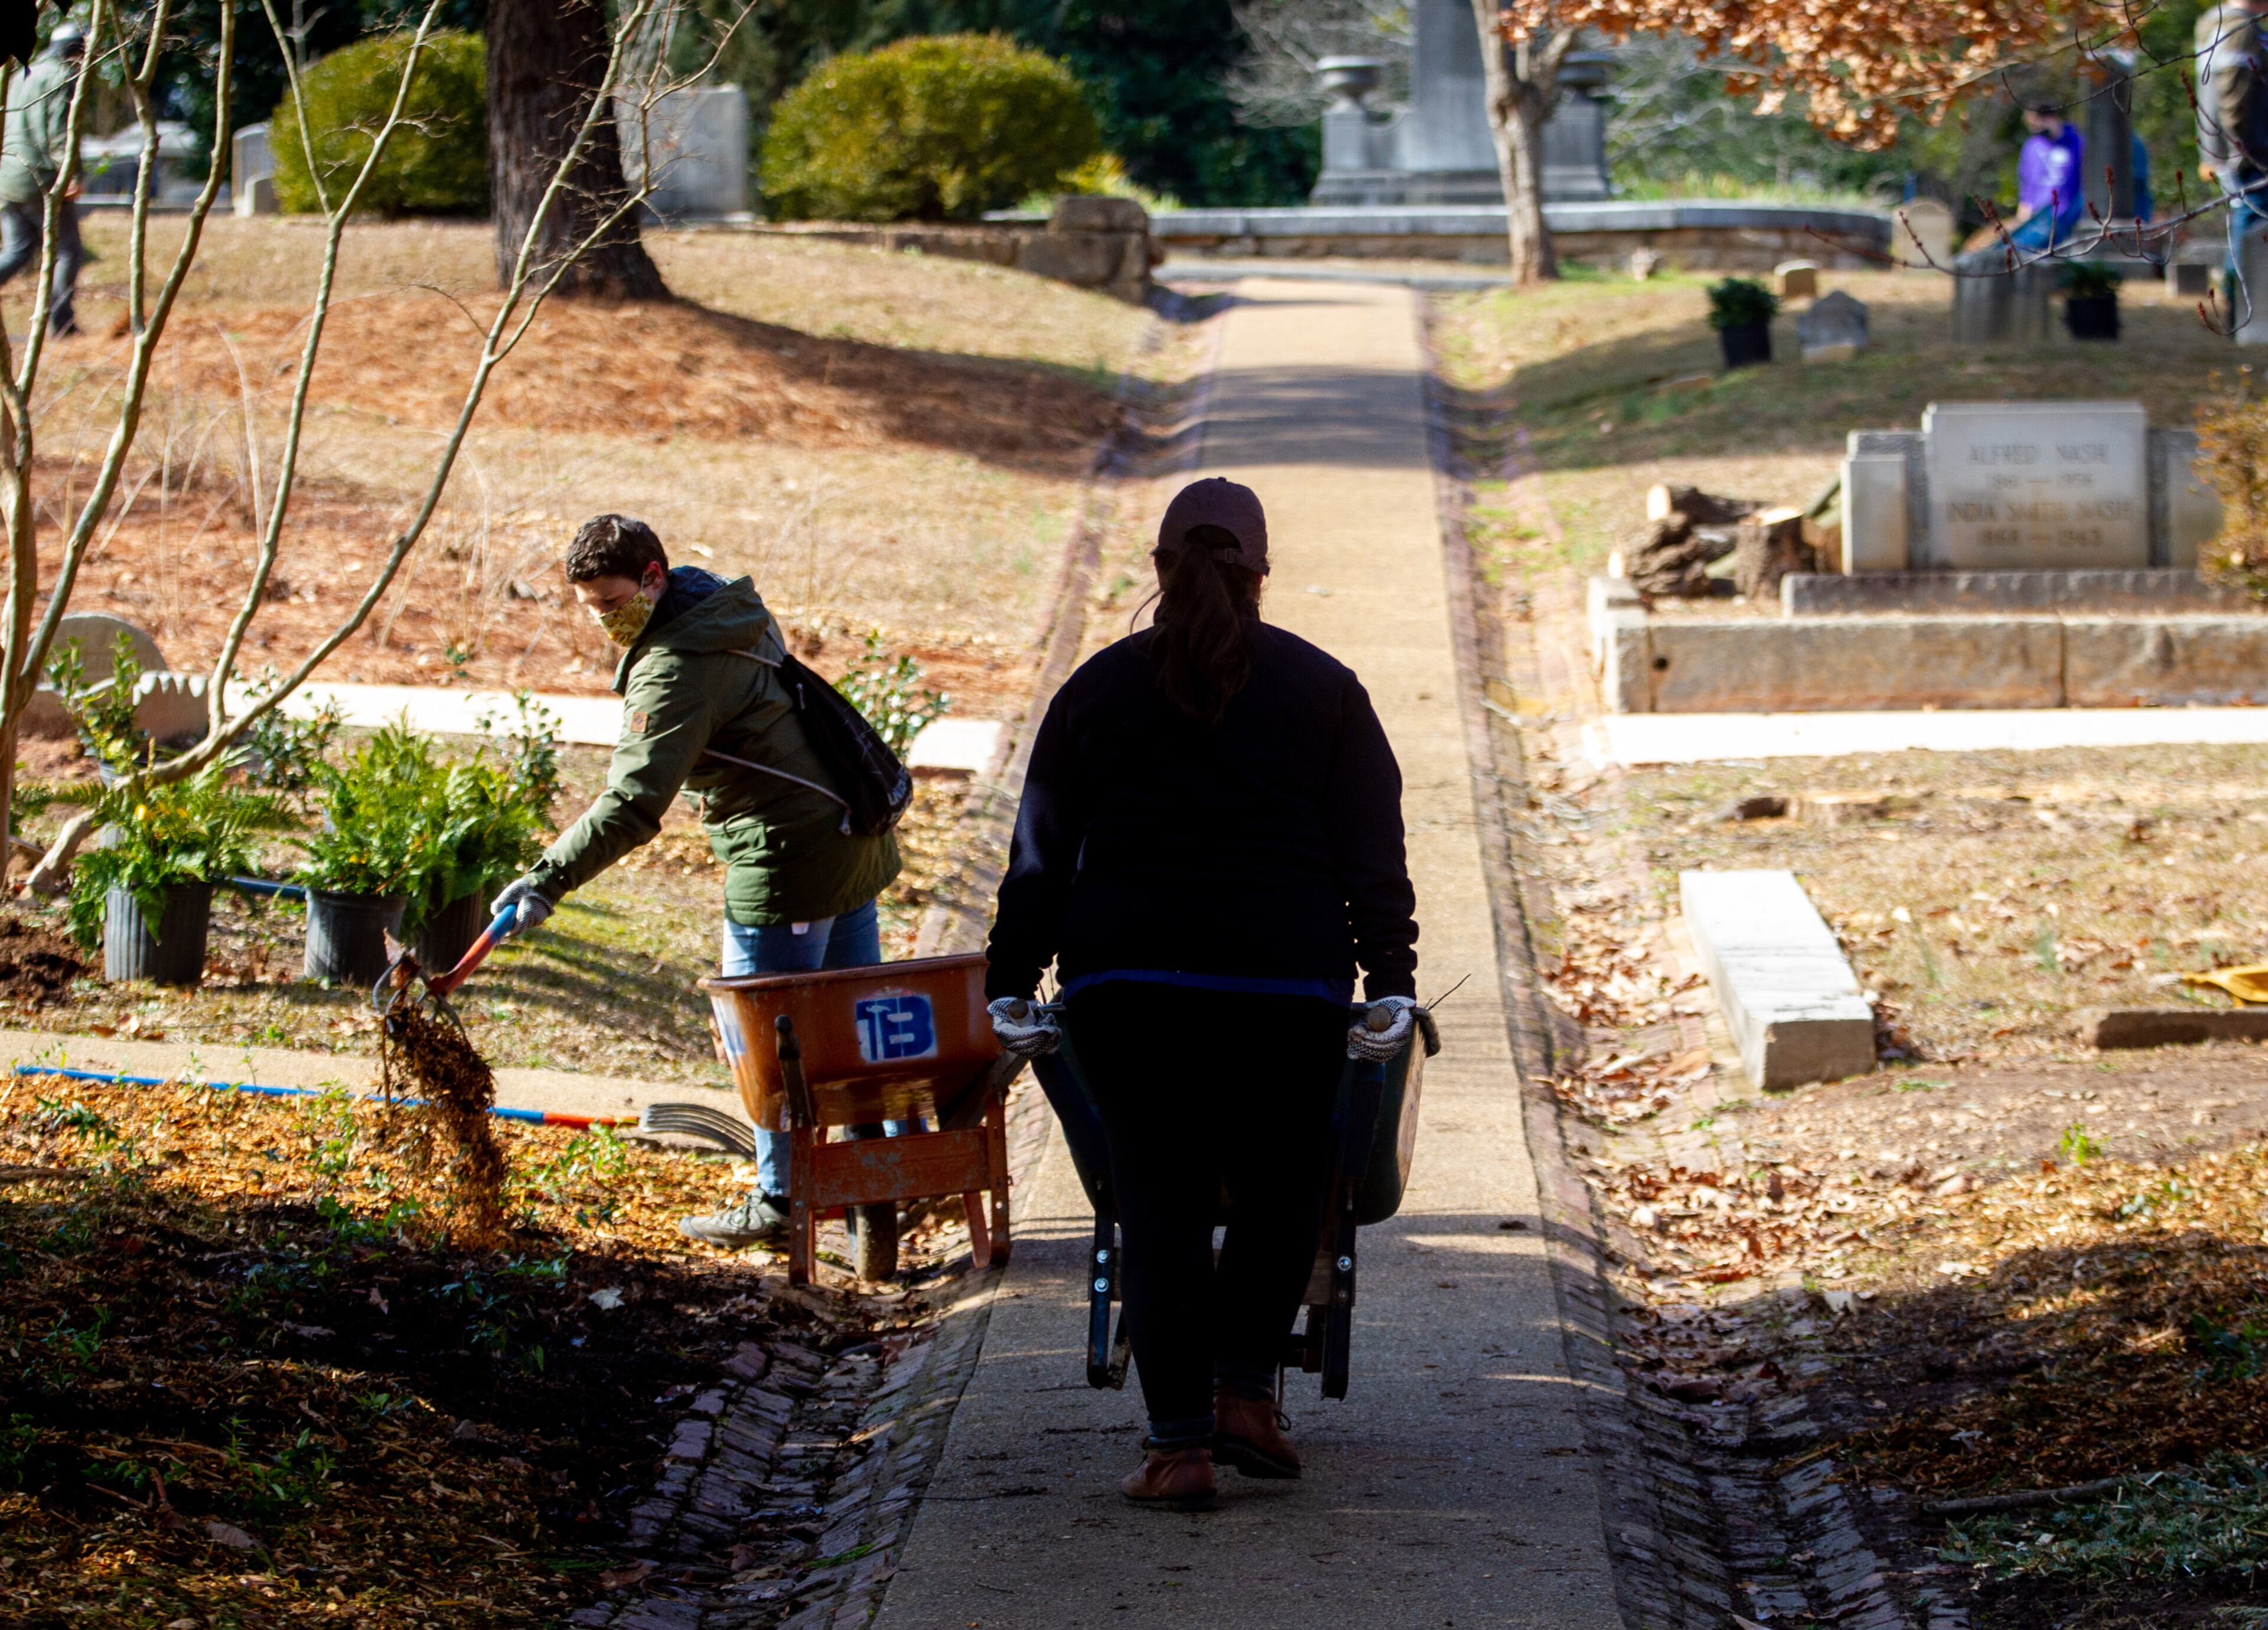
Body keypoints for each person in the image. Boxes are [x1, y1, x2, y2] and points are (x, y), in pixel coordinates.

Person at [983, 477, 1420, 1513]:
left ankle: (1176, 1448)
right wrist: (1390, 983)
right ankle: (1243, 1400)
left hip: (1127, 991)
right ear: (1260, 573)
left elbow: (1039, 859)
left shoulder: (1098, 689)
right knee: (1285, 1190)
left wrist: (1009, 980)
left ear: (1158, 570)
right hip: (1286, 988)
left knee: (1160, 1201)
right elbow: (1375, 858)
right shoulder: (1327, 692)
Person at [489, 514, 908, 1248]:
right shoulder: (721, 605)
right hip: (850, 838)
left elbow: (631, 803)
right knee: (848, 1035)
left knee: (769, 1045)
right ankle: (877, 1188)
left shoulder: (677, 666)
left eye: (612, 603)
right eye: (592, 610)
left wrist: (546, 881)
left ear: (654, 577)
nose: (605, 622)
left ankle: (783, 1204)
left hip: (787, 866)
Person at [0, 21, 86, 338]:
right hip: (41, 180)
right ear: (77, 50)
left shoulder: (22, 72)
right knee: (67, 251)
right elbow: (59, 131)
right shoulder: (62, 77)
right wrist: (71, 174)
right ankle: (62, 325)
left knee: (17, 252)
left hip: (8, 176)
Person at [2199, 0, 2268, 286]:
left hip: (2236, 154)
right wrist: (2251, 155)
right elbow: (2233, 102)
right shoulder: (2239, 29)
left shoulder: (2216, 24)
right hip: (2251, 159)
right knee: (2252, 230)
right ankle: (2243, 313)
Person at [2009, 102, 2085, 254]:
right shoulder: (2032, 146)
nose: (2033, 129)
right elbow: (2027, 182)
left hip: (2067, 215)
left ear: (2050, 118)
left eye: (2035, 123)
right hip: (2038, 217)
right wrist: (2023, 210)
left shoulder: (2078, 143)